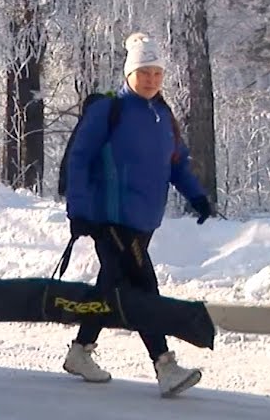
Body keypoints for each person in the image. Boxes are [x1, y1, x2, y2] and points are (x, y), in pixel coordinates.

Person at [62, 32, 212, 397]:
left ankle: (81, 350)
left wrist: (197, 197)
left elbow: (176, 163)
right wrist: (79, 211)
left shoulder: (162, 115)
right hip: (110, 218)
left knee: (112, 284)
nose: (150, 80)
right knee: (145, 286)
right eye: (144, 72)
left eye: (157, 73)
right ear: (129, 74)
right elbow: (79, 159)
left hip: (144, 220)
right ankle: (165, 365)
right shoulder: (109, 111)